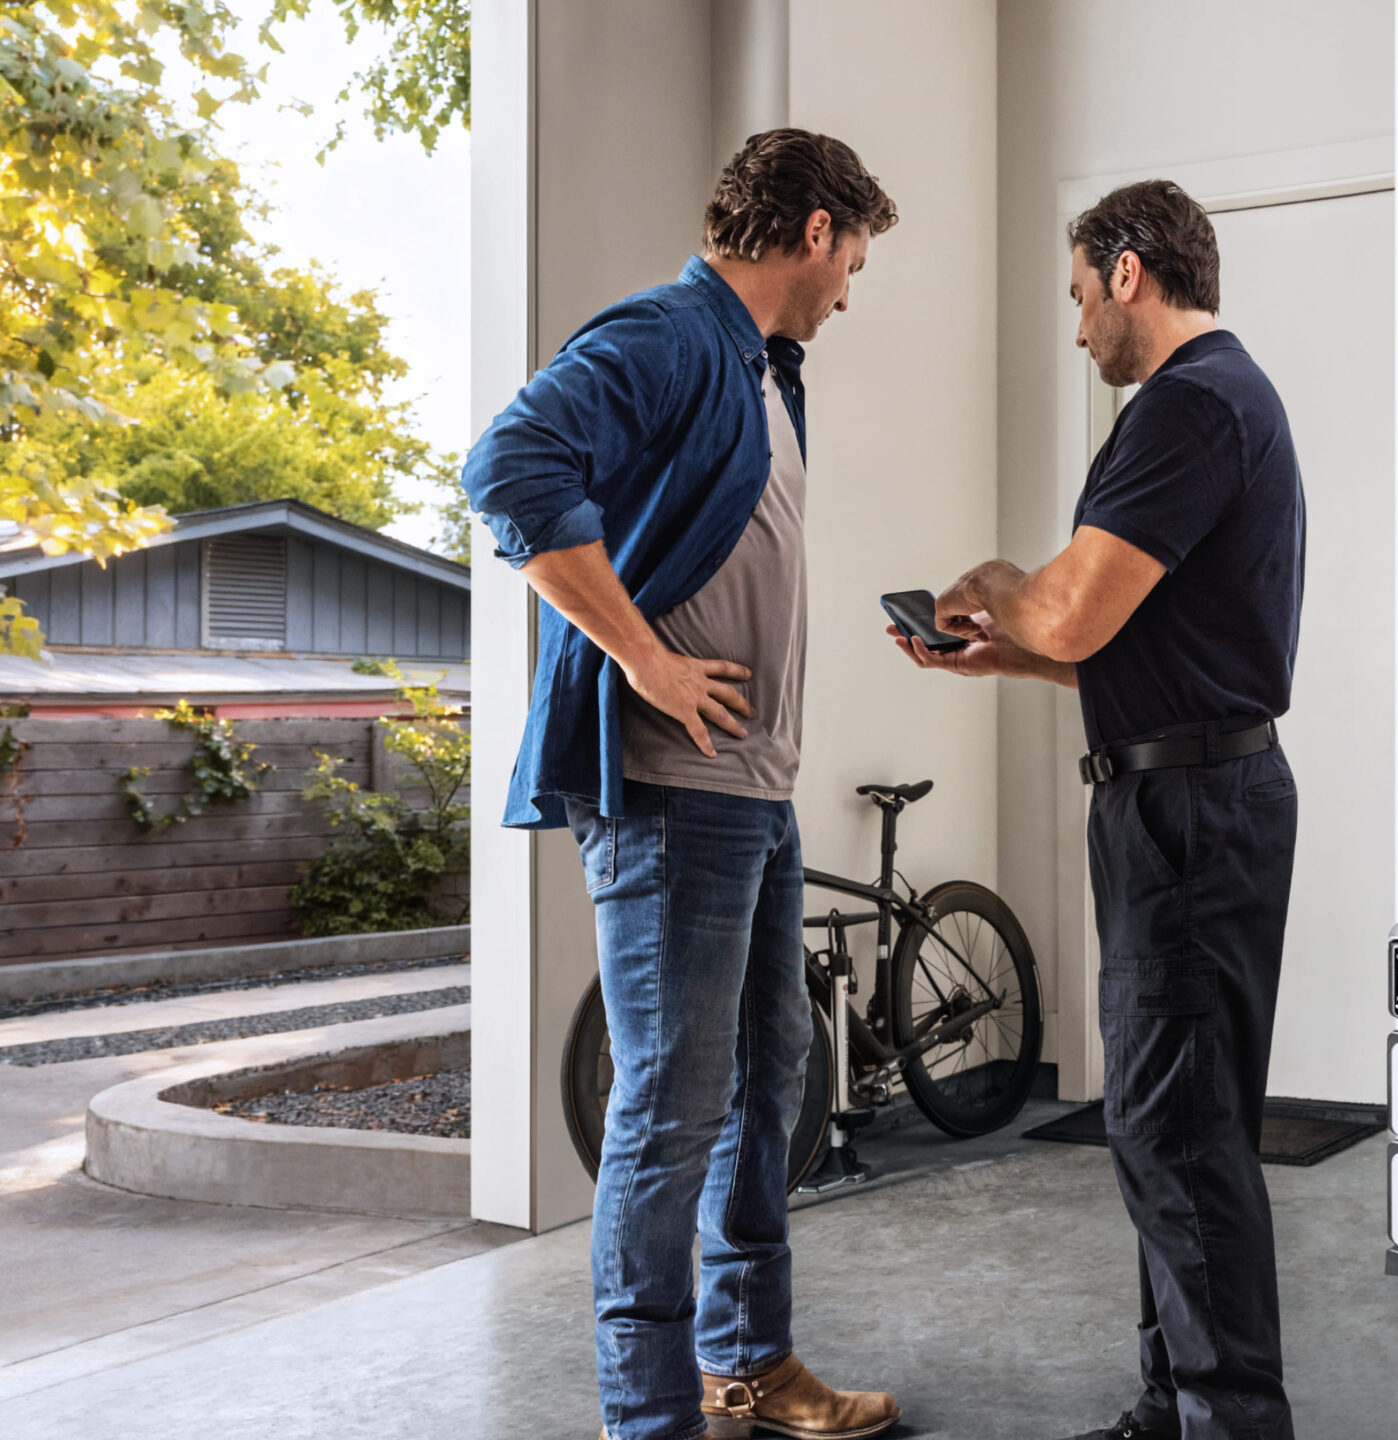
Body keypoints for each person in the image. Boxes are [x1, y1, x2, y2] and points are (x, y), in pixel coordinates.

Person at [461, 129, 903, 1440]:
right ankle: (647, 1416)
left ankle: (748, 1365)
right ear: (815, 230)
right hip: (671, 789)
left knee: (772, 1072)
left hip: (750, 794)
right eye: (855, 260)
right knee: (669, 1107)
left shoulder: (765, 370)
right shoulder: (669, 332)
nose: (849, 291)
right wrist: (645, 659)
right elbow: (508, 470)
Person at [891, 179, 1306, 1440]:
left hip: (1185, 810)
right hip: (1199, 791)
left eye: (1080, 296)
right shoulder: (1228, 399)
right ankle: (1175, 1405)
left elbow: (1071, 609)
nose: (1078, 330)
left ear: (1128, 272)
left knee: (1171, 1131)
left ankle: (1227, 1421)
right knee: (1178, 1124)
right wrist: (1001, 656)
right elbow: (1122, 644)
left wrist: (1002, 588)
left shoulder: (1185, 405)